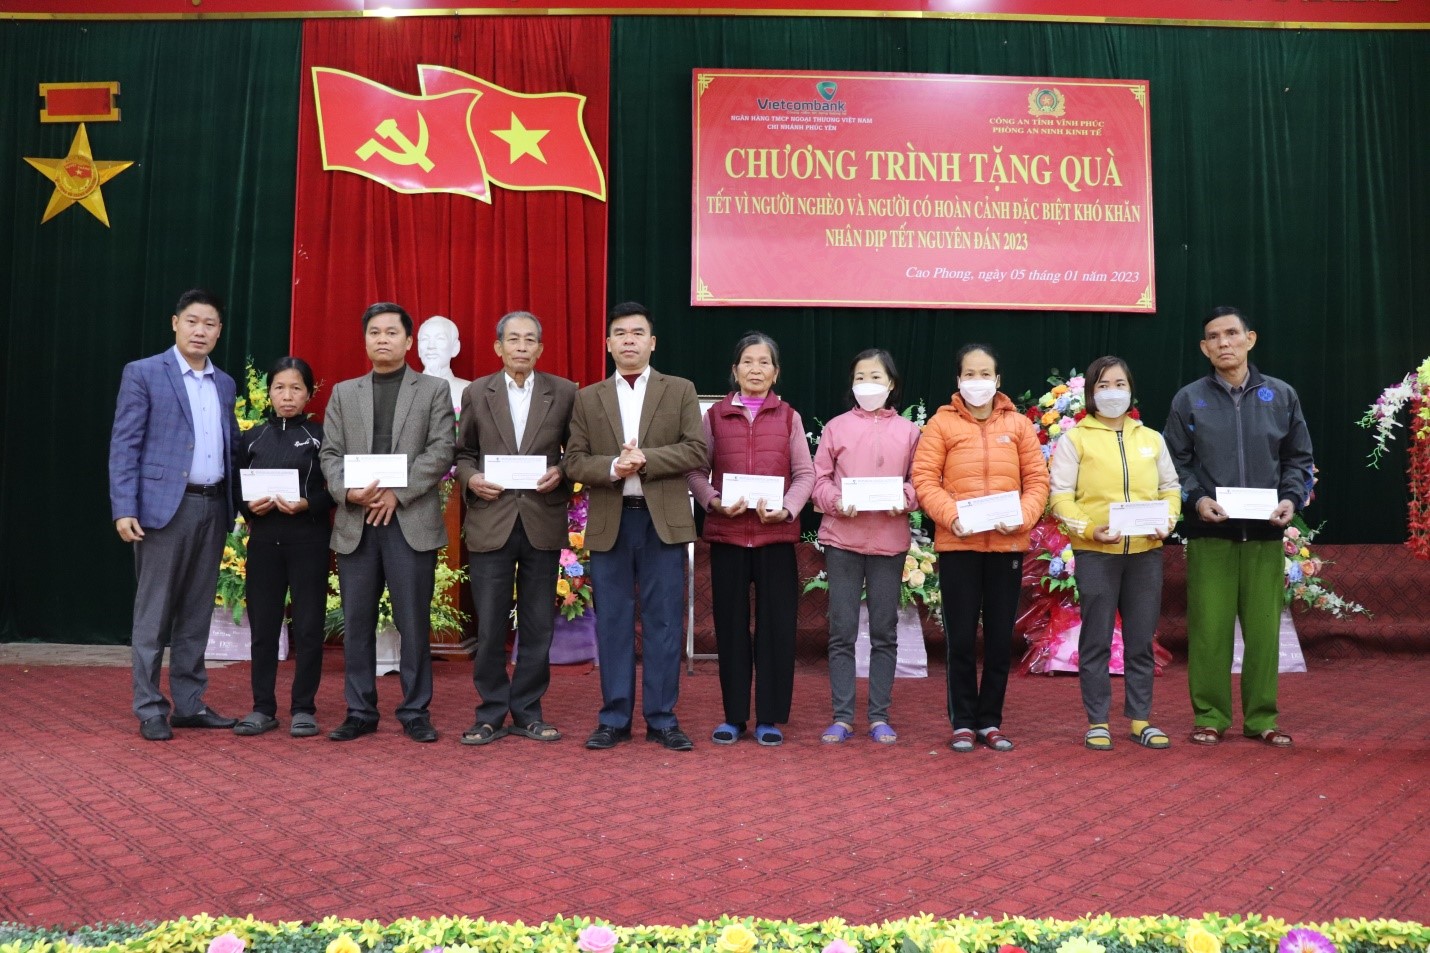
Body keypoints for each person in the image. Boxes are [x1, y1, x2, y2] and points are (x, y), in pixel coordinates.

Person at [1164, 306, 1314, 748]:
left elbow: (1298, 459)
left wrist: (1290, 499)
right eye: (1214, 337)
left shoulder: (1281, 395)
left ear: (1250, 339)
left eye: (1232, 333)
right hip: (1211, 533)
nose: (1224, 342)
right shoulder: (1189, 399)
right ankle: (1210, 717)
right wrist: (1197, 499)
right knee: (1209, 630)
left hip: (1265, 533)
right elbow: (1174, 462)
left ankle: (1262, 718)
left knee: (1264, 632)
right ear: (1204, 348)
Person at [564, 301, 707, 751]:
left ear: (652, 342)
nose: (629, 340)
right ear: (608, 343)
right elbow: (574, 461)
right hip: (612, 520)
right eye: (621, 333)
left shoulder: (679, 389)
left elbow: (696, 450)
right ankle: (614, 718)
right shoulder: (588, 397)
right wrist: (612, 466)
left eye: (638, 333)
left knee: (664, 621)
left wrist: (645, 460)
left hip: (662, 522)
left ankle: (663, 718)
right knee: (613, 621)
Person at [319, 302, 456, 743]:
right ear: (365, 340)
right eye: (374, 332)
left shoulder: (433, 390)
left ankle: (415, 710)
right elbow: (329, 453)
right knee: (357, 622)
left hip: (409, 520)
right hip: (357, 520)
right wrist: (348, 493)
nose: (383, 339)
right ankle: (359, 710)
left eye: (392, 332)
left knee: (412, 621)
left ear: (408, 341)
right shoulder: (344, 393)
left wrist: (398, 493)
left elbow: (442, 449)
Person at [109, 288, 241, 741]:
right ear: (175, 323)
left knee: (197, 612)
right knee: (154, 613)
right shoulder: (144, 373)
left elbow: (230, 447)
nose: (200, 330)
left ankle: (189, 703)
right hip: (163, 509)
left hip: (213, 505)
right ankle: (149, 707)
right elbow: (124, 444)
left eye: (209, 324)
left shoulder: (225, 384)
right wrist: (124, 507)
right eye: (192, 321)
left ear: (219, 331)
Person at [912, 343, 1049, 753]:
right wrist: (950, 516)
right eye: (969, 374)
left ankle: (990, 721)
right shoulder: (940, 424)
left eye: (985, 374)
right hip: (959, 545)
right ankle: (963, 722)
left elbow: (1037, 481)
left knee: (999, 640)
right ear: (958, 380)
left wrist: (1022, 517)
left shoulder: (1019, 425)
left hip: (1006, 546)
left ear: (998, 379)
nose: (978, 381)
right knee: (960, 639)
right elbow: (925, 480)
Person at [454, 310, 577, 745]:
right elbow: (463, 453)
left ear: (540, 348)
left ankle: (528, 711)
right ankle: (490, 712)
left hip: (542, 518)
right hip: (492, 519)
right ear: (498, 347)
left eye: (529, 340)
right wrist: (472, 479)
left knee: (538, 624)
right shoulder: (477, 391)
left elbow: (576, 451)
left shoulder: (564, 392)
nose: (521, 346)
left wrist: (562, 471)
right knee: (489, 624)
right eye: (513, 339)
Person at [686, 332, 815, 747]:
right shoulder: (714, 417)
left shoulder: (789, 417)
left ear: (776, 372)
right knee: (731, 629)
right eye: (747, 361)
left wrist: (788, 510)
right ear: (735, 370)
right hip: (728, 537)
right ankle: (734, 717)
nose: (755, 369)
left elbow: (806, 474)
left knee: (777, 630)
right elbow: (695, 471)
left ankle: (769, 719)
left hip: (775, 539)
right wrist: (713, 501)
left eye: (764, 362)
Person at [1048, 356, 1181, 751]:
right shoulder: (1076, 439)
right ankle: (1097, 721)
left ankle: (1140, 720)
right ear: (1091, 393)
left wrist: (1167, 520)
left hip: (1145, 552)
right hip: (1096, 553)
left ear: (1131, 389)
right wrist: (1090, 529)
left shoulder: (1151, 439)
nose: (1112, 392)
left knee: (1141, 640)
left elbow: (1170, 488)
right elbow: (1059, 497)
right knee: (1096, 640)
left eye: (1119, 384)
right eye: (1103, 385)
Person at [810, 348, 921, 746]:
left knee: (883, 632)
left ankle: (879, 716)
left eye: (876, 377)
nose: (867, 384)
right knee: (841, 631)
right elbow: (818, 481)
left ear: (891, 384)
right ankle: (842, 717)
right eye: (860, 377)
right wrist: (836, 501)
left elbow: (921, 481)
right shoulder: (836, 428)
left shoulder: (909, 432)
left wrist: (904, 499)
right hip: (842, 539)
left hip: (889, 543)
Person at [232, 357, 333, 738]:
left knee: (308, 627)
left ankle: (304, 708)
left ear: (308, 394)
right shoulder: (253, 437)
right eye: (279, 388)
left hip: (309, 540)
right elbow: (237, 488)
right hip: (263, 542)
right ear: (269, 393)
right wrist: (248, 507)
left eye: (296, 388)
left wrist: (308, 504)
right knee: (263, 628)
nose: (287, 396)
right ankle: (262, 708)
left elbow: (334, 490)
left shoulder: (321, 436)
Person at [417, 314, 472, 411]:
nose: (431, 346)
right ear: (418, 348)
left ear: (455, 348)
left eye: (440, 339)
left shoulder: (470, 391)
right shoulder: (404, 390)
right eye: (425, 339)